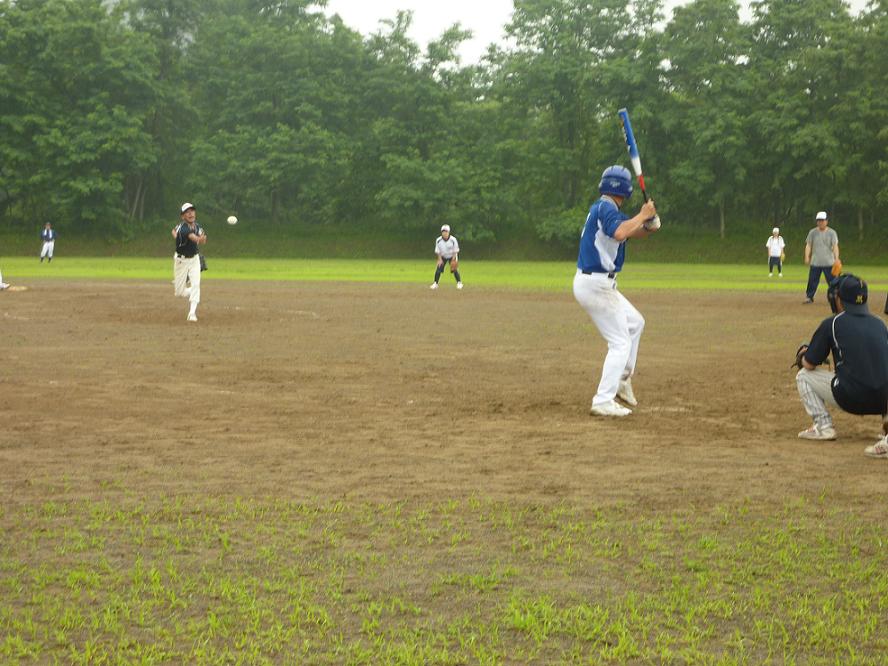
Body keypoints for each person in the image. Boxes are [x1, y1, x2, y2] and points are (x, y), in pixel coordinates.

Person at [574, 165, 659, 417]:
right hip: (596, 284)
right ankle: (602, 400)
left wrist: (649, 225)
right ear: (625, 189)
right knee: (620, 341)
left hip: (599, 284)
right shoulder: (606, 209)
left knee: (635, 323)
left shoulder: (607, 210)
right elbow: (622, 231)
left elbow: (629, 232)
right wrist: (643, 214)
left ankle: (622, 380)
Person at [794, 273, 888, 458]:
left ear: (839, 298)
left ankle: (823, 427)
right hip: (883, 402)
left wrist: (803, 354)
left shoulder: (833, 323)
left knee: (803, 375)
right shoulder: (880, 324)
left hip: (850, 398)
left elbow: (809, 363)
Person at [173, 203, 206, 322]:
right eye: (187, 212)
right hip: (181, 260)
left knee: (196, 284)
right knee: (179, 293)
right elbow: (193, 237)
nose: (191, 213)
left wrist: (202, 238)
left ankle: (192, 313)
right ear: (182, 216)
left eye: (192, 211)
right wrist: (199, 239)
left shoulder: (197, 226)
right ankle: (191, 289)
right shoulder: (183, 228)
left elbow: (202, 236)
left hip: (194, 259)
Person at [803, 211, 839, 303]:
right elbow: (808, 245)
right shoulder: (813, 232)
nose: (820, 222)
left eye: (822, 220)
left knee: (833, 281)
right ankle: (809, 297)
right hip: (816, 261)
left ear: (827, 221)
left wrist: (836, 258)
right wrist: (807, 256)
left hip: (829, 262)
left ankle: (835, 296)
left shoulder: (832, 232)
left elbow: (835, 246)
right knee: (812, 281)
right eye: (819, 220)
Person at [430, 224, 462, 290]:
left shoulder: (453, 239)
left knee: (454, 269)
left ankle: (459, 283)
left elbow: (455, 250)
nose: (445, 233)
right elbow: (438, 251)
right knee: (438, 269)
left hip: (452, 255)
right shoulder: (438, 240)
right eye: (443, 231)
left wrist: (453, 259)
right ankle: (435, 283)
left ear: (449, 232)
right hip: (443, 256)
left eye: (446, 231)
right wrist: (439, 259)